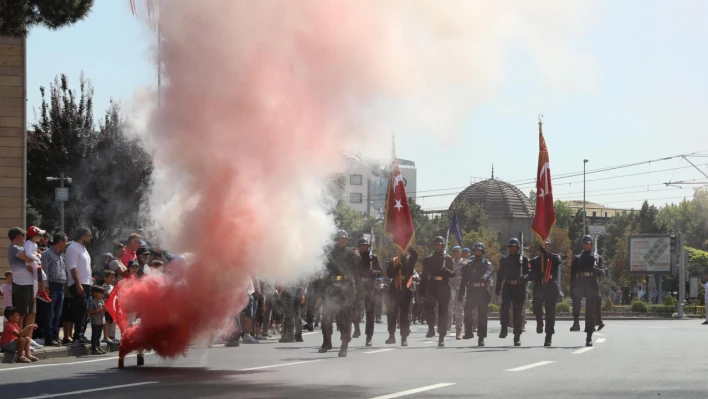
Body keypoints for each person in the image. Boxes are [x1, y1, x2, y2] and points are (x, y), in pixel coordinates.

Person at [319, 230, 357, 357]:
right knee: (326, 316)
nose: (342, 240)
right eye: (339, 238)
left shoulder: (352, 254)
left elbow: (357, 270)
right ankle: (326, 342)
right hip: (332, 287)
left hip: (346, 289)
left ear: (347, 240)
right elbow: (325, 270)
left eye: (344, 238)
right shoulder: (331, 254)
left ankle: (344, 345)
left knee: (345, 318)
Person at [570, 235, 606, 347]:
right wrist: (572, 289)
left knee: (589, 312)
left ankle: (589, 336)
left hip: (591, 284)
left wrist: (598, 270)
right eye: (584, 243)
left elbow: (603, 272)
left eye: (588, 243)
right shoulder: (577, 258)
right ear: (582, 245)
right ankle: (576, 322)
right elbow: (572, 275)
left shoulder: (597, 257)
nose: (586, 245)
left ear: (591, 245)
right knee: (576, 303)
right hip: (580, 283)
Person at [419, 236, 455, 347]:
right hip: (432, 285)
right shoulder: (428, 259)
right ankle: (431, 327)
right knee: (429, 306)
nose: (437, 246)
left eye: (439, 244)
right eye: (436, 244)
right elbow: (424, 275)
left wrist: (447, 270)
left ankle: (442, 336)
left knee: (443, 312)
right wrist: (422, 289)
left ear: (443, 245)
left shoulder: (448, 259)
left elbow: (454, 273)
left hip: (443, 286)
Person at [495, 238, 530, 347]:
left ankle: (517, 337)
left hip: (519, 286)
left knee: (517, 313)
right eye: (510, 246)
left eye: (514, 246)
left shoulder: (523, 259)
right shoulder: (504, 259)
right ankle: (504, 328)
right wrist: (497, 290)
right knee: (505, 306)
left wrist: (525, 277)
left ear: (518, 248)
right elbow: (500, 275)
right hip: (508, 285)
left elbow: (530, 272)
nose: (512, 248)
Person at [457, 242, 493, 347]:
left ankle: (481, 338)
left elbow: (489, 271)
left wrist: (484, 277)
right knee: (468, 311)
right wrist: (461, 292)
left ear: (482, 251)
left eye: (479, 250)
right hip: (472, 291)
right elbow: (464, 279)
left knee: (482, 316)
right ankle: (468, 331)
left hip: (482, 291)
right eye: (476, 250)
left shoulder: (486, 263)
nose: (477, 252)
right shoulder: (470, 264)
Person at [530, 238, 562, 347]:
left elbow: (557, 261)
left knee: (550, 313)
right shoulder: (535, 260)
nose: (545, 247)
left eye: (547, 245)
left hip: (551, 285)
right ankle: (539, 320)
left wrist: (546, 253)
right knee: (537, 305)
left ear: (550, 247)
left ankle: (548, 336)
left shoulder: (554, 257)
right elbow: (531, 273)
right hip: (539, 285)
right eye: (543, 245)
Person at [385, 247, 418, 347]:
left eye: (403, 249)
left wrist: (407, 245)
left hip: (406, 291)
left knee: (404, 316)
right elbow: (389, 274)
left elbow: (415, 254)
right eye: (399, 248)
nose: (402, 251)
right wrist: (396, 268)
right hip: (394, 291)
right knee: (391, 315)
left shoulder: (410, 261)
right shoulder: (393, 261)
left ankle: (404, 338)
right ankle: (391, 336)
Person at [40, 233, 68, 347]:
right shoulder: (47, 254)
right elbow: (44, 272)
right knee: (50, 314)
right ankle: (49, 337)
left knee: (57, 314)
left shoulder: (61, 255)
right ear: (60, 241)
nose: (66, 244)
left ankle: (55, 336)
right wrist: (45, 287)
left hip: (60, 287)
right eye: (65, 241)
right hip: (51, 286)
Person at [66, 227, 93, 344]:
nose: (90, 238)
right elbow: (73, 267)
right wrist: (78, 284)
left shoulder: (84, 248)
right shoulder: (73, 248)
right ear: (83, 236)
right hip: (78, 283)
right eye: (88, 235)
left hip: (86, 283)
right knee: (79, 309)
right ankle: (77, 335)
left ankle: (81, 334)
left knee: (84, 310)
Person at [353, 237, 382, 346]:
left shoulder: (373, 258)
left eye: (365, 245)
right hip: (358, 286)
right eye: (361, 246)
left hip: (370, 287)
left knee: (370, 313)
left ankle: (369, 337)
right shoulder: (355, 258)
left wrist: (373, 272)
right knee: (355, 308)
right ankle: (356, 328)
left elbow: (380, 273)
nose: (363, 247)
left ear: (368, 247)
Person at [25, 226, 52, 303]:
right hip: (31, 263)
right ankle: (41, 293)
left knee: (42, 277)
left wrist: (38, 256)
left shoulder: (34, 244)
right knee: (42, 277)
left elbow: (36, 253)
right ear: (34, 236)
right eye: (40, 235)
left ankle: (40, 292)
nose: (41, 237)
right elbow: (28, 253)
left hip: (34, 263)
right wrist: (37, 259)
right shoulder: (28, 243)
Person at [449, 246, 468, 340]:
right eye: (455, 251)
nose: (457, 253)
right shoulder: (450, 262)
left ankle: (458, 332)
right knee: (449, 305)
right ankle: (448, 321)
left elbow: (470, 270)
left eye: (458, 251)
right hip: (451, 287)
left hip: (461, 289)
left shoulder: (465, 262)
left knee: (460, 311)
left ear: (461, 252)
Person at [87, 286, 106, 355]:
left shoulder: (101, 301)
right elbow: (89, 312)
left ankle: (98, 346)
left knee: (99, 335)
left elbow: (105, 311)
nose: (102, 295)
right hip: (95, 321)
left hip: (101, 321)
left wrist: (105, 308)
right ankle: (94, 348)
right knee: (95, 335)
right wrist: (98, 311)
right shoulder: (93, 302)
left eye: (102, 293)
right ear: (94, 293)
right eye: (100, 293)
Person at [102, 271, 117, 343]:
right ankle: (106, 336)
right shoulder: (104, 286)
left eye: (113, 278)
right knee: (107, 321)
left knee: (112, 322)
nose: (112, 279)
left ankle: (111, 336)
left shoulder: (112, 286)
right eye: (111, 278)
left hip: (112, 307)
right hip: (106, 307)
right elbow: (109, 295)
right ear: (105, 278)